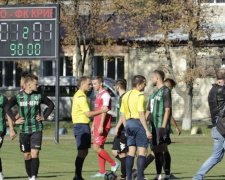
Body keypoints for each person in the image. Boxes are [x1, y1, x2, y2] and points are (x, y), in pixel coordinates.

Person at [4, 74, 54, 180]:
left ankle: (33, 177)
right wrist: (15, 120)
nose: (38, 85)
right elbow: (7, 107)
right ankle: (30, 176)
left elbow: (51, 105)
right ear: (29, 85)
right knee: (27, 155)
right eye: (36, 84)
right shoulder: (18, 96)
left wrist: (44, 117)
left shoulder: (39, 95)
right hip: (24, 130)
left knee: (35, 153)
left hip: (37, 128)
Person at [132, 78, 180, 180]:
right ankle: (164, 174)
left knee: (157, 150)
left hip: (152, 127)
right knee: (162, 150)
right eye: (171, 87)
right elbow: (168, 113)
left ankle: (158, 174)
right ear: (167, 86)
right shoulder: (165, 93)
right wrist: (174, 127)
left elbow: (147, 112)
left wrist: (143, 127)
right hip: (160, 128)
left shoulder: (153, 95)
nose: (171, 90)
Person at [71, 76, 109, 180]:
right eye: (89, 84)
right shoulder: (81, 97)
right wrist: (102, 111)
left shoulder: (79, 94)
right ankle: (77, 176)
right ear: (82, 84)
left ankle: (77, 176)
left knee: (83, 151)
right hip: (81, 126)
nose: (91, 86)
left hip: (81, 125)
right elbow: (88, 114)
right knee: (82, 152)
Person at [193, 68, 225, 180]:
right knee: (216, 156)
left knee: (216, 157)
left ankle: (198, 177)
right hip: (223, 128)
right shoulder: (222, 90)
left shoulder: (213, 89)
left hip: (216, 128)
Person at [120, 75, 152, 180]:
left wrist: (125, 127)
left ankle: (128, 177)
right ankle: (140, 177)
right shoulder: (140, 96)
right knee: (142, 152)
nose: (145, 86)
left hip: (128, 123)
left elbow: (123, 114)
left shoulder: (125, 95)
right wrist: (147, 130)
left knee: (131, 152)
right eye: (144, 84)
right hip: (138, 123)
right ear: (138, 85)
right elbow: (141, 113)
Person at [145, 70, 172, 180]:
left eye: (152, 77)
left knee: (164, 148)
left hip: (161, 126)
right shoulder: (153, 94)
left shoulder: (165, 91)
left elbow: (167, 110)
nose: (151, 79)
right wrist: (143, 126)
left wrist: (163, 127)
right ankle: (158, 175)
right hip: (152, 127)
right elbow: (147, 111)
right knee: (156, 150)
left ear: (157, 78)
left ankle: (167, 174)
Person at [91, 76, 119, 178]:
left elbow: (104, 110)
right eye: (92, 84)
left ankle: (113, 163)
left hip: (103, 125)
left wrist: (101, 125)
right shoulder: (98, 95)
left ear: (101, 83)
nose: (93, 86)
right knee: (100, 148)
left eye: (95, 84)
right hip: (98, 124)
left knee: (96, 147)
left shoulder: (105, 95)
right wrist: (93, 125)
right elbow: (97, 111)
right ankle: (102, 171)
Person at [112, 79, 128, 180]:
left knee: (122, 155)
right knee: (114, 151)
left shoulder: (124, 98)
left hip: (122, 131)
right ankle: (129, 167)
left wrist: (118, 127)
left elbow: (124, 115)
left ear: (117, 86)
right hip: (120, 130)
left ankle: (123, 176)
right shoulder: (121, 97)